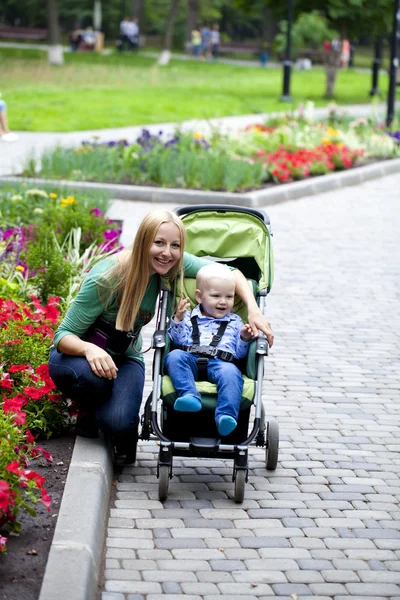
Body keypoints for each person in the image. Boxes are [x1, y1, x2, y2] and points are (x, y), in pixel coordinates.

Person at [48, 210, 274, 463]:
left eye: (175, 245)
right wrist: (91, 350)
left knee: (121, 424)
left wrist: (253, 310)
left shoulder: (170, 265)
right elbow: (63, 335)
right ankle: (88, 408)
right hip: (78, 356)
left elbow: (230, 273)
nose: (167, 252)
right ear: (144, 240)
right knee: (95, 381)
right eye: (159, 243)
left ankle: (109, 410)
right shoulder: (107, 277)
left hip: (125, 358)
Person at [165, 263, 254, 437]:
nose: (223, 301)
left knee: (231, 374)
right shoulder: (190, 316)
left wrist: (244, 338)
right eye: (216, 296)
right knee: (174, 356)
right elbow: (179, 340)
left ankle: (226, 416)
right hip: (190, 357)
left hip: (222, 362)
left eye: (229, 297)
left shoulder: (235, 321)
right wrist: (178, 319)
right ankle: (189, 395)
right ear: (199, 296)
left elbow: (239, 353)